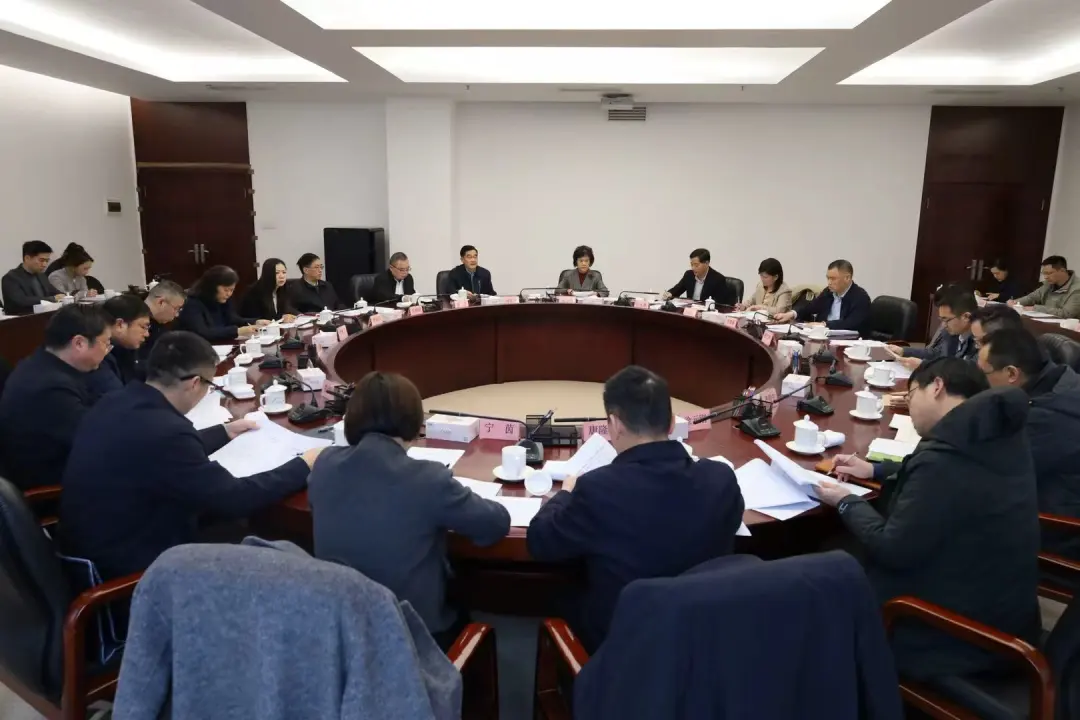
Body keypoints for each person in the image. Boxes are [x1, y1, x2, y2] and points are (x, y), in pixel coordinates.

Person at [815, 358, 1040, 679]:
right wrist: (874, 469)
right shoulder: (996, 434)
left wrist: (845, 501)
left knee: (823, 567)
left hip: (951, 636)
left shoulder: (945, 460)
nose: (910, 408)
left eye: (911, 396)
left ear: (936, 386)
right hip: (1002, 610)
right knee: (839, 548)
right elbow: (945, 480)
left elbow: (893, 548)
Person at [58, 331, 321, 581]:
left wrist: (225, 431)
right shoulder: (166, 432)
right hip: (131, 565)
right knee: (267, 542)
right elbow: (235, 498)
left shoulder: (118, 401)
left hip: (93, 544)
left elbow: (156, 451)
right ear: (195, 383)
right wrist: (304, 464)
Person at [526, 365, 745, 652]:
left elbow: (540, 541)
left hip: (626, 651)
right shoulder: (720, 479)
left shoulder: (597, 489)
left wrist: (564, 494)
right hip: (703, 644)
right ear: (671, 424)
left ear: (615, 424)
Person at [308, 371, 510, 649]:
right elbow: (495, 524)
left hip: (341, 633)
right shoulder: (428, 478)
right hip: (411, 639)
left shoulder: (324, 464)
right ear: (414, 420)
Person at [977, 328, 1080, 558]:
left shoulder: (1049, 416)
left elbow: (991, 468)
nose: (981, 382)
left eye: (984, 373)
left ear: (1012, 373)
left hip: (1057, 529)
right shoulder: (1062, 380)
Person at [0, 305, 112, 489]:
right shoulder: (50, 387)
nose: (107, 350)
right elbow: (98, 439)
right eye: (106, 343)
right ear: (79, 343)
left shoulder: (43, 362)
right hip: (53, 486)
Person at [887, 285, 978, 369]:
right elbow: (936, 353)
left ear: (966, 317)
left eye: (946, 320)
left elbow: (965, 373)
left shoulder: (980, 341)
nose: (943, 325)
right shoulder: (953, 332)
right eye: (941, 319)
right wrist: (903, 351)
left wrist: (924, 366)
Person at [772, 259, 871, 333]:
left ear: (847, 278)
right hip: (823, 336)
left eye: (833, 279)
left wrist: (823, 324)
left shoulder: (861, 297)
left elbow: (851, 323)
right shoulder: (829, 292)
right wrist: (791, 314)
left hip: (848, 343)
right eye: (828, 278)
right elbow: (811, 306)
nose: (829, 282)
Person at [177, 265, 266, 343]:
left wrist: (255, 322)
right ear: (212, 287)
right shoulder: (192, 302)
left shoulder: (223, 298)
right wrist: (237, 331)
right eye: (226, 290)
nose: (229, 294)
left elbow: (232, 319)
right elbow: (204, 332)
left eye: (232, 290)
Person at [86, 294, 152, 399]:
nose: (147, 334)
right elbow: (119, 398)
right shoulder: (99, 355)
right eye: (143, 327)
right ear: (120, 324)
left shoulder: (125, 349)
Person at [2, 240, 63, 313]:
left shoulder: (41, 276)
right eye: (41, 260)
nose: (45, 264)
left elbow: (55, 292)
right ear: (27, 258)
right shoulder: (11, 278)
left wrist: (65, 296)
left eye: (47, 261)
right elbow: (22, 301)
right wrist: (52, 299)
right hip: (22, 318)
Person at [1010, 255, 1080, 319]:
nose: (1046, 277)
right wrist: (1015, 302)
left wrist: (1035, 308)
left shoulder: (1077, 288)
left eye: (1049, 273)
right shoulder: (1048, 284)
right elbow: (1032, 297)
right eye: (1044, 273)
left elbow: (1067, 313)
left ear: (1062, 270)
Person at [139, 280, 185, 372]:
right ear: (161, 302)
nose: (176, 314)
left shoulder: (159, 321)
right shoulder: (135, 322)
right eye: (176, 308)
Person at [662, 248, 731, 305]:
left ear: (706, 263)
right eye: (691, 265)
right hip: (690, 312)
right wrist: (669, 294)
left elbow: (719, 305)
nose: (693, 268)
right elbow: (677, 290)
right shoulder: (689, 275)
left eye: (696, 265)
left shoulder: (718, 279)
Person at [239, 257, 297, 322]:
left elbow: (285, 310)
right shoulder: (253, 292)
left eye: (284, 272)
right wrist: (280, 319)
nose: (282, 276)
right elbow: (254, 319)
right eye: (277, 273)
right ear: (267, 274)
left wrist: (285, 316)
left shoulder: (284, 289)